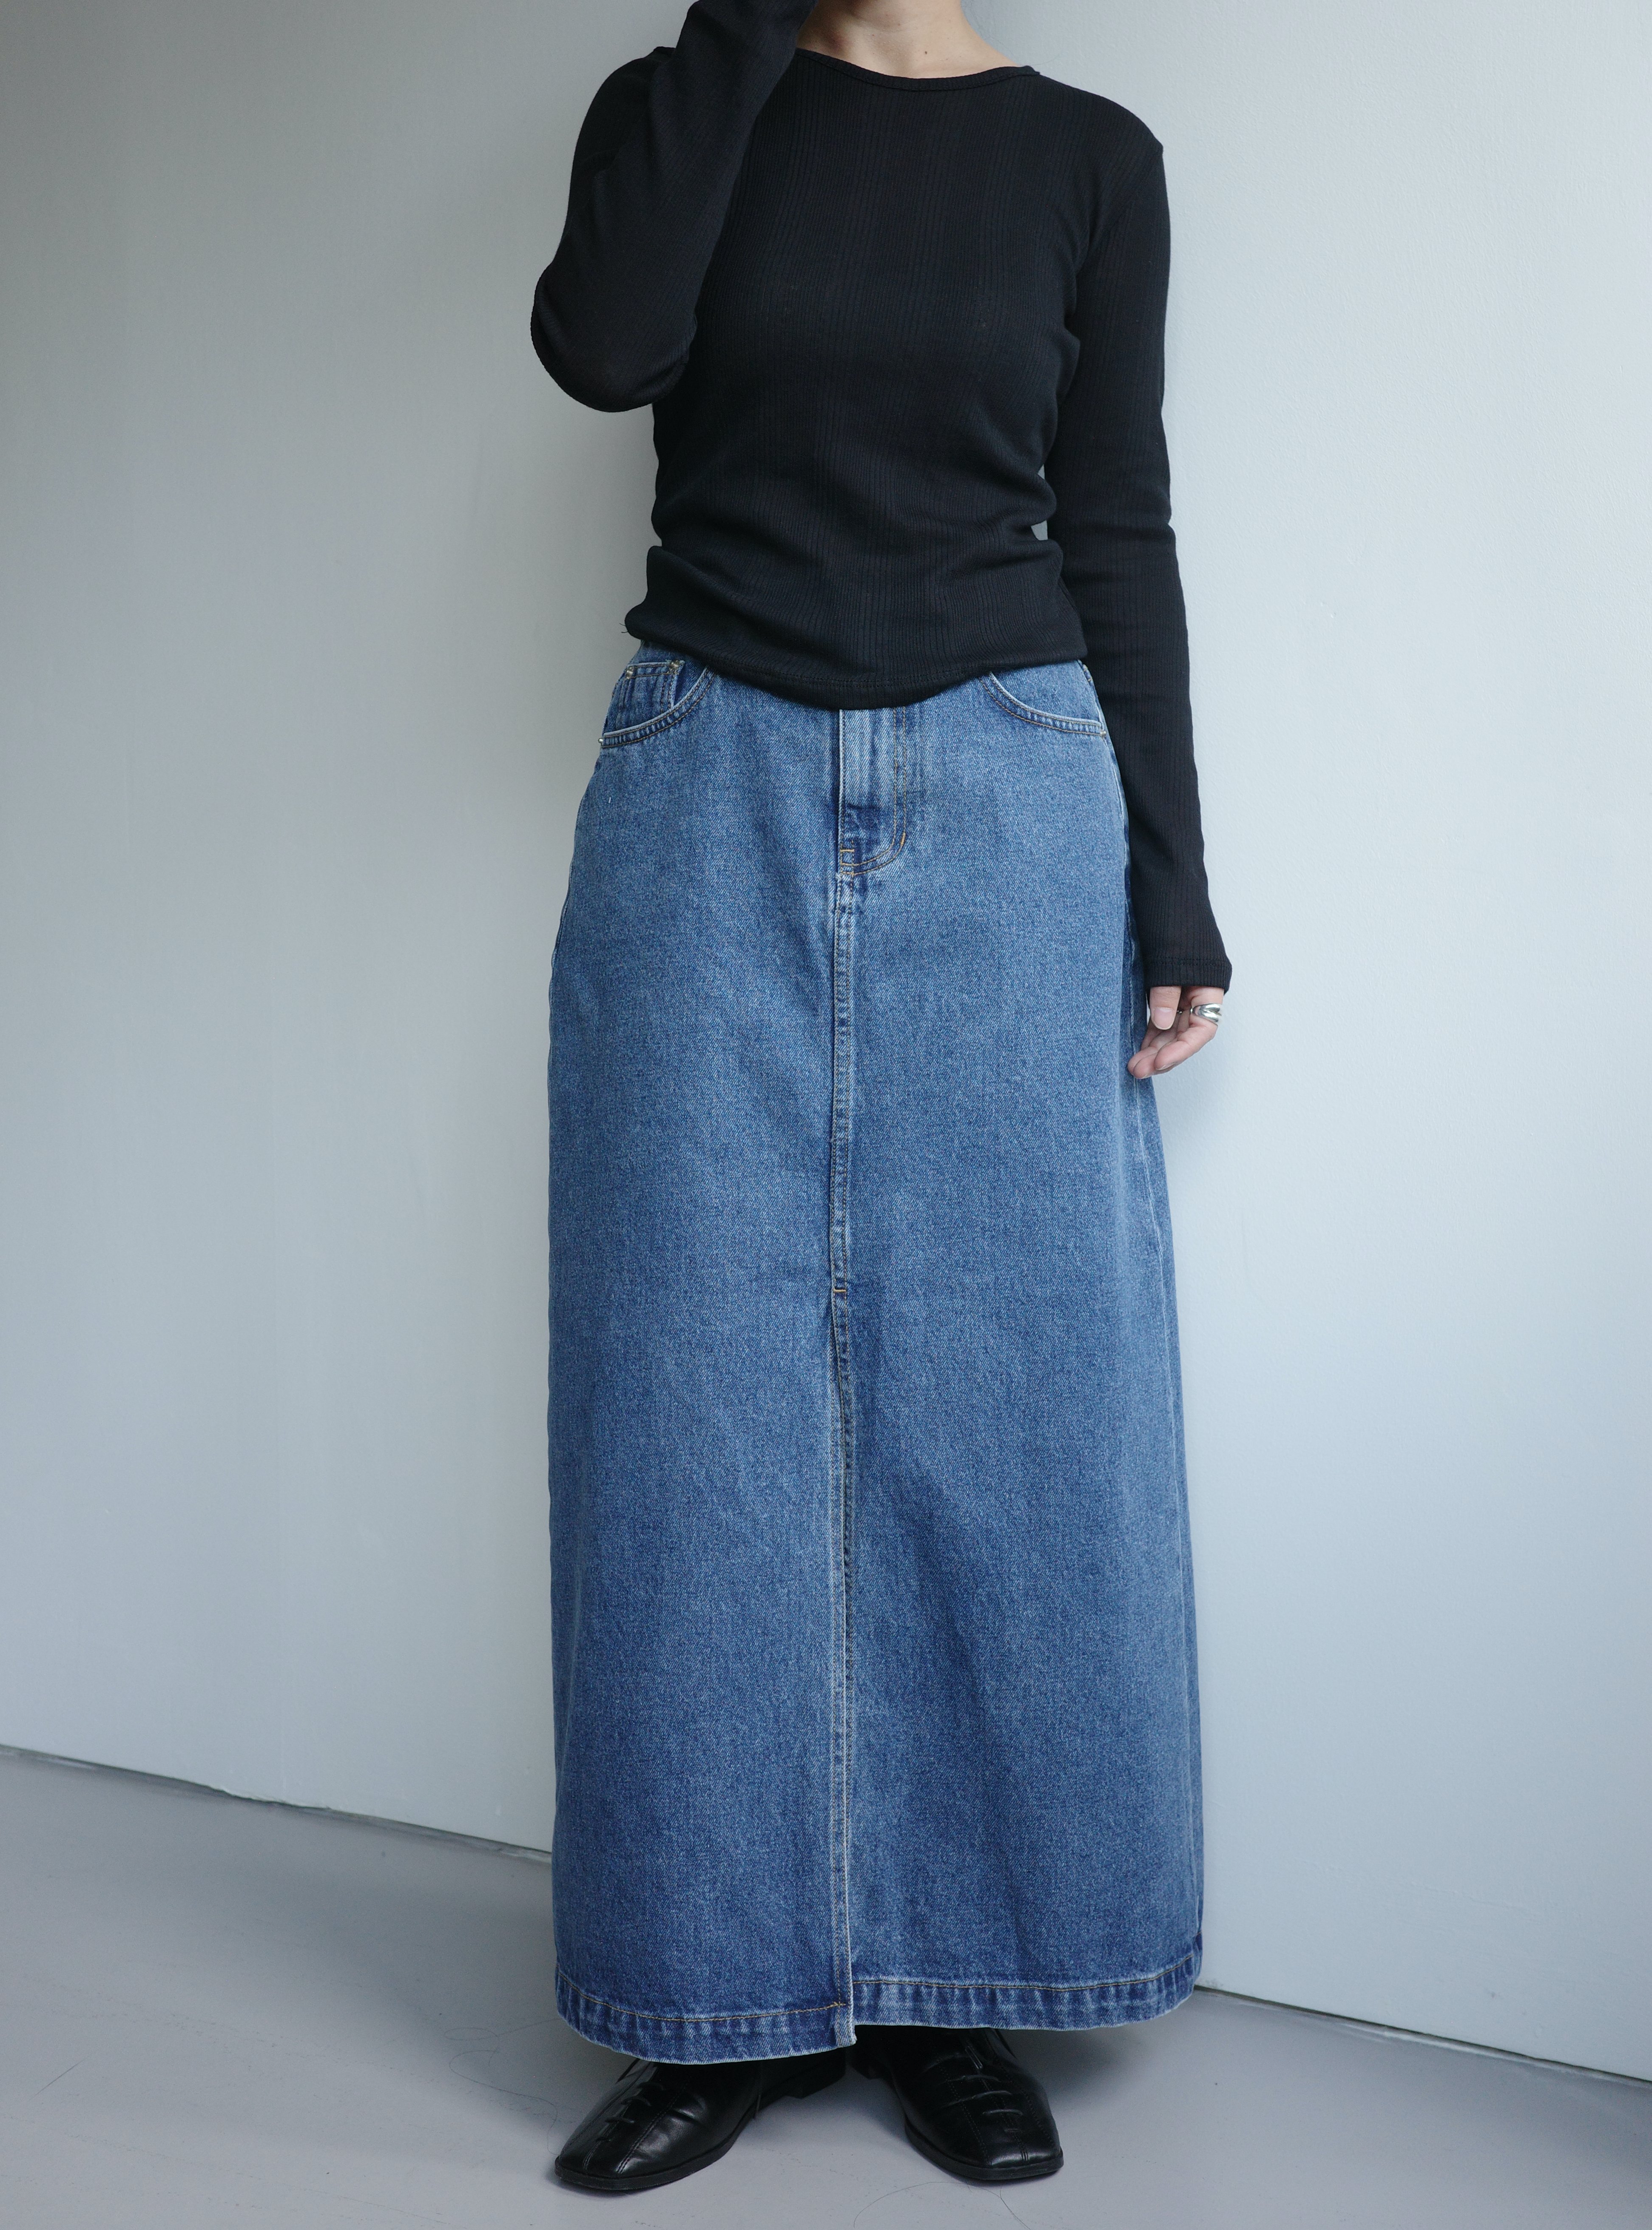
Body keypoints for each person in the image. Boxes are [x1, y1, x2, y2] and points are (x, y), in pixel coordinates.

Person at [529, 0, 1229, 2194]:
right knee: (687, 1403)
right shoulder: (682, 102)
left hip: (1014, 786)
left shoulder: (1091, 158)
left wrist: (1175, 881)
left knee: (1007, 1396)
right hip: (706, 764)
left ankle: (947, 1986)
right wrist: (741, 27)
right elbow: (600, 348)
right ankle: (715, 1997)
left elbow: (1116, 519)